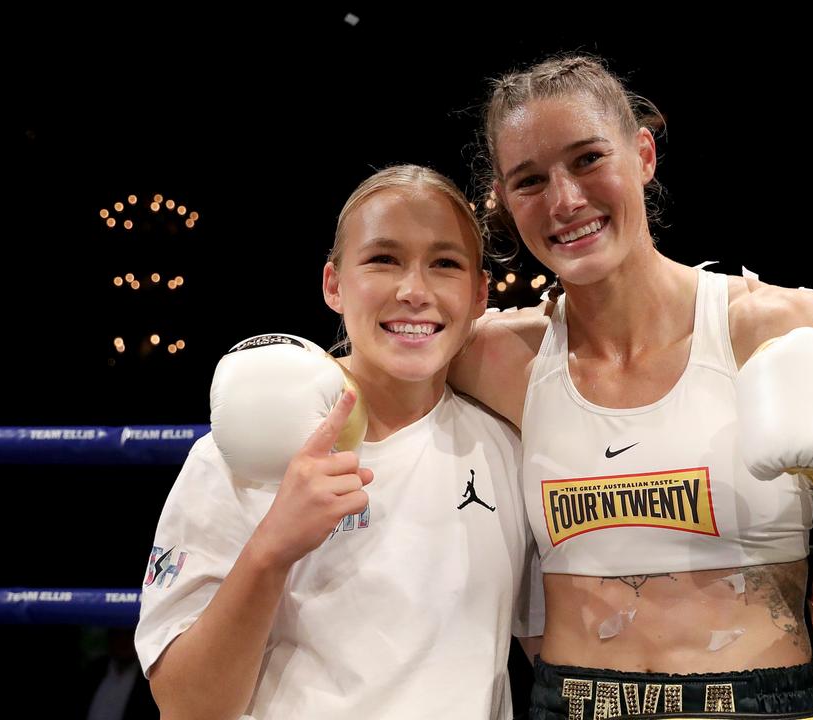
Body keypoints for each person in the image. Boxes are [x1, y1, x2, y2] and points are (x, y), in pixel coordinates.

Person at [447, 54, 813, 717]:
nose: (565, 200)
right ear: (508, 204)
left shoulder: (777, 329)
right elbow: (349, 375)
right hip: (571, 702)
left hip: (764, 701)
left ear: (644, 155)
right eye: (530, 180)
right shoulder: (497, 358)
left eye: (587, 160)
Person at [135, 165, 543, 719]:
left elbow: (552, 649)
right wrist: (270, 550)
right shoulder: (239, 457)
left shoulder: (506, 448)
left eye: (444, 264)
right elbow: (186, 706)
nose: (414, 291)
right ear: (334, 284)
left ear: (478, 295)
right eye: (383, 259)